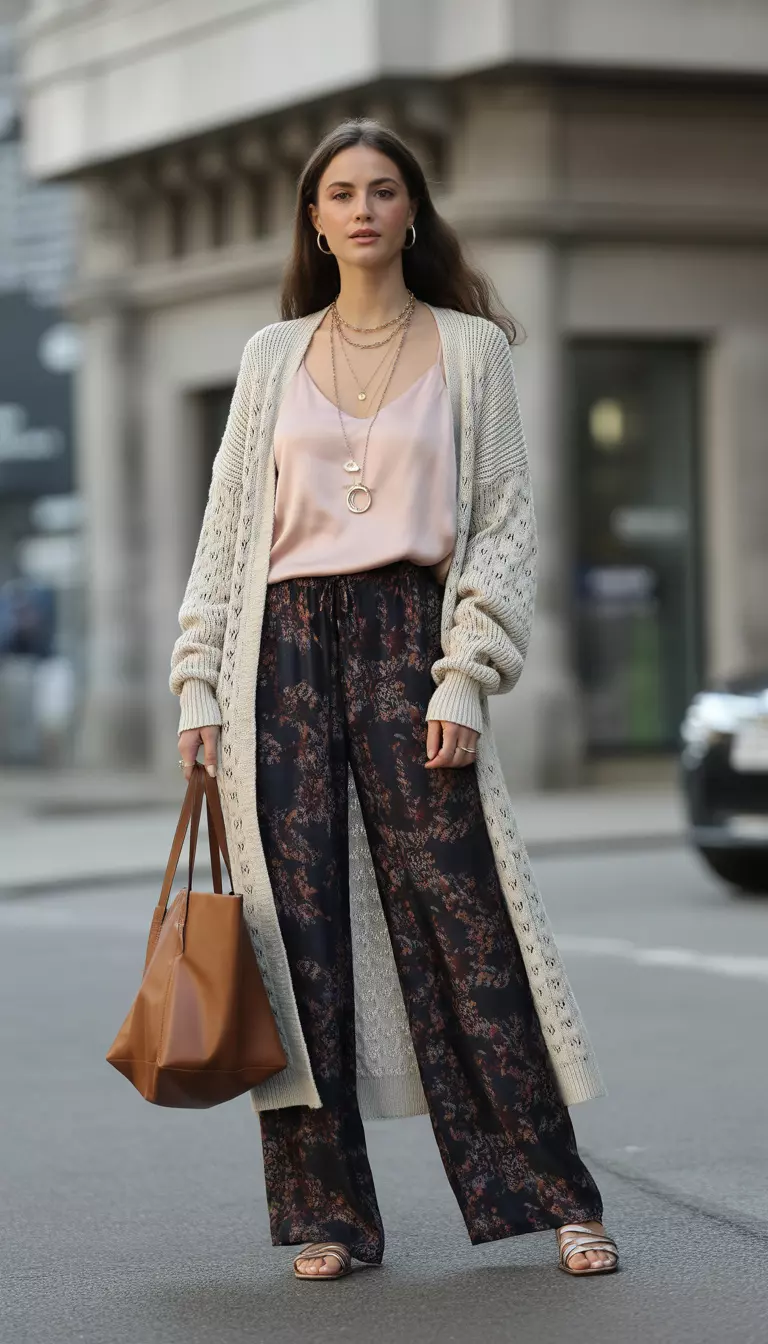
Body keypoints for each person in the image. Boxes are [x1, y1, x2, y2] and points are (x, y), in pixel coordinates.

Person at [171, 118, 619, 1282]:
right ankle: (327, 1216)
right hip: (278, 655)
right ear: (315, 222)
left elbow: (504, 526)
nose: (362, 209)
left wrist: (467, 673)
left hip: (408, 646)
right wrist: (197, 684)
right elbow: (227, 534)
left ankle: (557, 1196)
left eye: (382, 190)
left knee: (468, 928)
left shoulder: (472, 350)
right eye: (340, 193)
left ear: (413, 211)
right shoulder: (272, 355)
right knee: (297, 940)